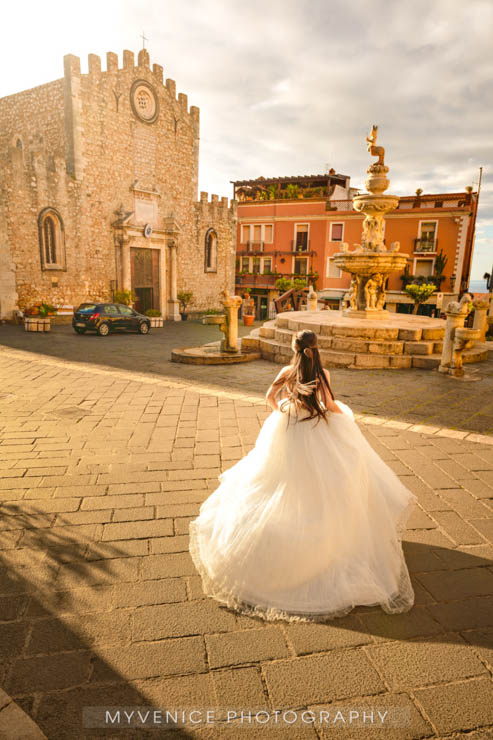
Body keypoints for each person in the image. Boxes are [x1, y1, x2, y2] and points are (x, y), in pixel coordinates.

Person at [189, 329, 417, 622]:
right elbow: (330, 405)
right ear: (315, 349)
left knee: (276, 481)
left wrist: (283, 410)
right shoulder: (322, 373)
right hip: (315, 429)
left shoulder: (286, 371)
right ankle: (326, 537)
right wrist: (346, 419)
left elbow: (270, 396)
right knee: (325, 485)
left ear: (294, 348)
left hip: (289, 428)